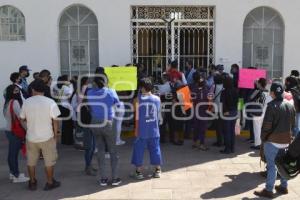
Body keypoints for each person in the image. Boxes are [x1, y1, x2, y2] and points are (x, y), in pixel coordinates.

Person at [254, 82, 295, 198]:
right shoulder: (290, 105)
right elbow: (293, 124)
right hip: (286, 140)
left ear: (272, 93)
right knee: (283, 165)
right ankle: (283, 186)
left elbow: (267, 126)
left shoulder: (271, 106)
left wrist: (263, 138)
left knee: (272, 166)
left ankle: (269, 190)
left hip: (273, 141)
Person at [20, 79, 61, 191]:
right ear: (44, 89)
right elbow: (55, 120)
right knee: (49, 161)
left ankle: (32, 182)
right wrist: (56, 135)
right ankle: (49, 182)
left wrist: (28, 128)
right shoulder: (50, 102)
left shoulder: (27, 102)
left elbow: (22, 118)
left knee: (31, 161)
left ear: (33, 89)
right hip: (47, 136)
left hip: (31, 137)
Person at [87, 76, 121, 187]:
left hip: (95, 122)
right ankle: (115, 178)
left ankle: (103, 178)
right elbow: (118, 104)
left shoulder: (90, 92)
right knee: (113, 151)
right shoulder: (110, 91)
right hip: (108, 122)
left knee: (100, 150)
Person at [131, 78, 162, 179]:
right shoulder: (157, 99)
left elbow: (134, 110)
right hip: (154, 129)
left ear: (142, 88)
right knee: (155, 149)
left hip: (141, 130)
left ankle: (138, 171)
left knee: (139, 150)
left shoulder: (137, 100)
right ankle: (157, 170)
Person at [3, 84, 29, 183]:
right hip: (14, 131)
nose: (17, 92)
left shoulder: (7, 102)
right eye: (15, 91)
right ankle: (16, 175)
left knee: (12, 154)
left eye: (18, 90)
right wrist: (27, 129)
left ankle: (12, 173)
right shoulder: (15, 103)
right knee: (13, 154)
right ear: (11, 92)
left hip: (9, 130)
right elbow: (21, 118)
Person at [250, 78, 272, 150]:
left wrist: (255, 87)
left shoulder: (257, 92)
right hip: (266, 113)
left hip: (258, 113)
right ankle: (263, 143)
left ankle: (257, 144)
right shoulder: (268, 92)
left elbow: (250, 98)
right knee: (263, 129)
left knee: (257, 129)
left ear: (259, 83)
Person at [190, 72, 209, 151]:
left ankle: (195, 142)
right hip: (203, 111)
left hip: (196, 110)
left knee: (196, 127)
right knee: (202, 128)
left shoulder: (194, 89)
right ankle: (201, 144)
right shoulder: (206, 90)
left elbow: (191, 99)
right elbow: (209, 101)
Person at [220, 76, 238, 154]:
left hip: (227, 113)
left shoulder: (224, 92)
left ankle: (227, 149)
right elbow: (240, 101)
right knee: (232, 131)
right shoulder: (236, 90)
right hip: (234, 112)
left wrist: (225, 111)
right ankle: (232, 148)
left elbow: (222, 103)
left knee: (227, 132)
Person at [55, 75, 74, 145]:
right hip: (66, 106)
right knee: (68, 125)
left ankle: (64, 140)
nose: (69, 81)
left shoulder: (58, 87)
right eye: (68, 79)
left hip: (61, 105)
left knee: (65, 125)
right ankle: (69, 141)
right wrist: (71, 85)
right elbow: (70, 93)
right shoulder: (65, 87)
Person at [212, 74, 224, 147]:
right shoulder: (224, 86)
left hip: (216, 108)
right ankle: (224, 141)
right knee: (223, 126)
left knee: (218, 126)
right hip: (223, 108)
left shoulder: (214, 87)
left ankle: (219, 141)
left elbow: (210, 96)